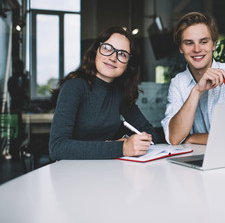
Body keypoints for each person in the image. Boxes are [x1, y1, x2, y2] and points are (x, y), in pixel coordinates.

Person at [49, 26, 158, 160]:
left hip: (107, 169)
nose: (113, 57)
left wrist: (126, 140)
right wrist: (121, 147)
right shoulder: (74, 86)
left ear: (128, 65)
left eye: (122, 54)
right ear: (96, 51)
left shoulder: (119, 91)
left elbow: (150, 133)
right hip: (72, 172)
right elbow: (57, 147)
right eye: (107, 48)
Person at [161, 12, 225, 145]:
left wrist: (191, 138)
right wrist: (196, 91)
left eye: (203, 42)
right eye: (189, 43)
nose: (197, 49)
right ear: (181, 48)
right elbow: (174, 138)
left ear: (213, 45)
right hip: (193, 161)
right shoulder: (178, 83)